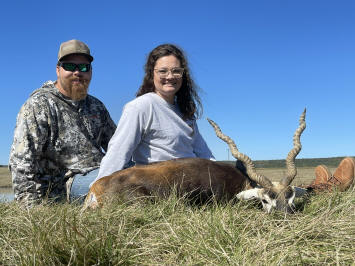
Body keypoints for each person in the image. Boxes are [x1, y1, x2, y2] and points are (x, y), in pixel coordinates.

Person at [9, 39, 116, 206]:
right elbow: (22, 161)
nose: (77, 72)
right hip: (65, 186)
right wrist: (30, 210)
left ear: (90, 71)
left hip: (101, 171)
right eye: (70, 66)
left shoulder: (96, 106)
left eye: (83, 67)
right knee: (117, 186)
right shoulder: (40, 104)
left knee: (141, 173)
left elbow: (117, 146)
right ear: (58, 70)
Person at [92, 44, 214, 184]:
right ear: (151, 74)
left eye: (176, 71)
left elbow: (204, 154)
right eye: (163, 71)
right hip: (160, 183)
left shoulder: (186, 112)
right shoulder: (140, 107)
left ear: (183, 74)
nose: (170, 76)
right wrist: (98, 188)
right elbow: (118, 151)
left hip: (195, 181)